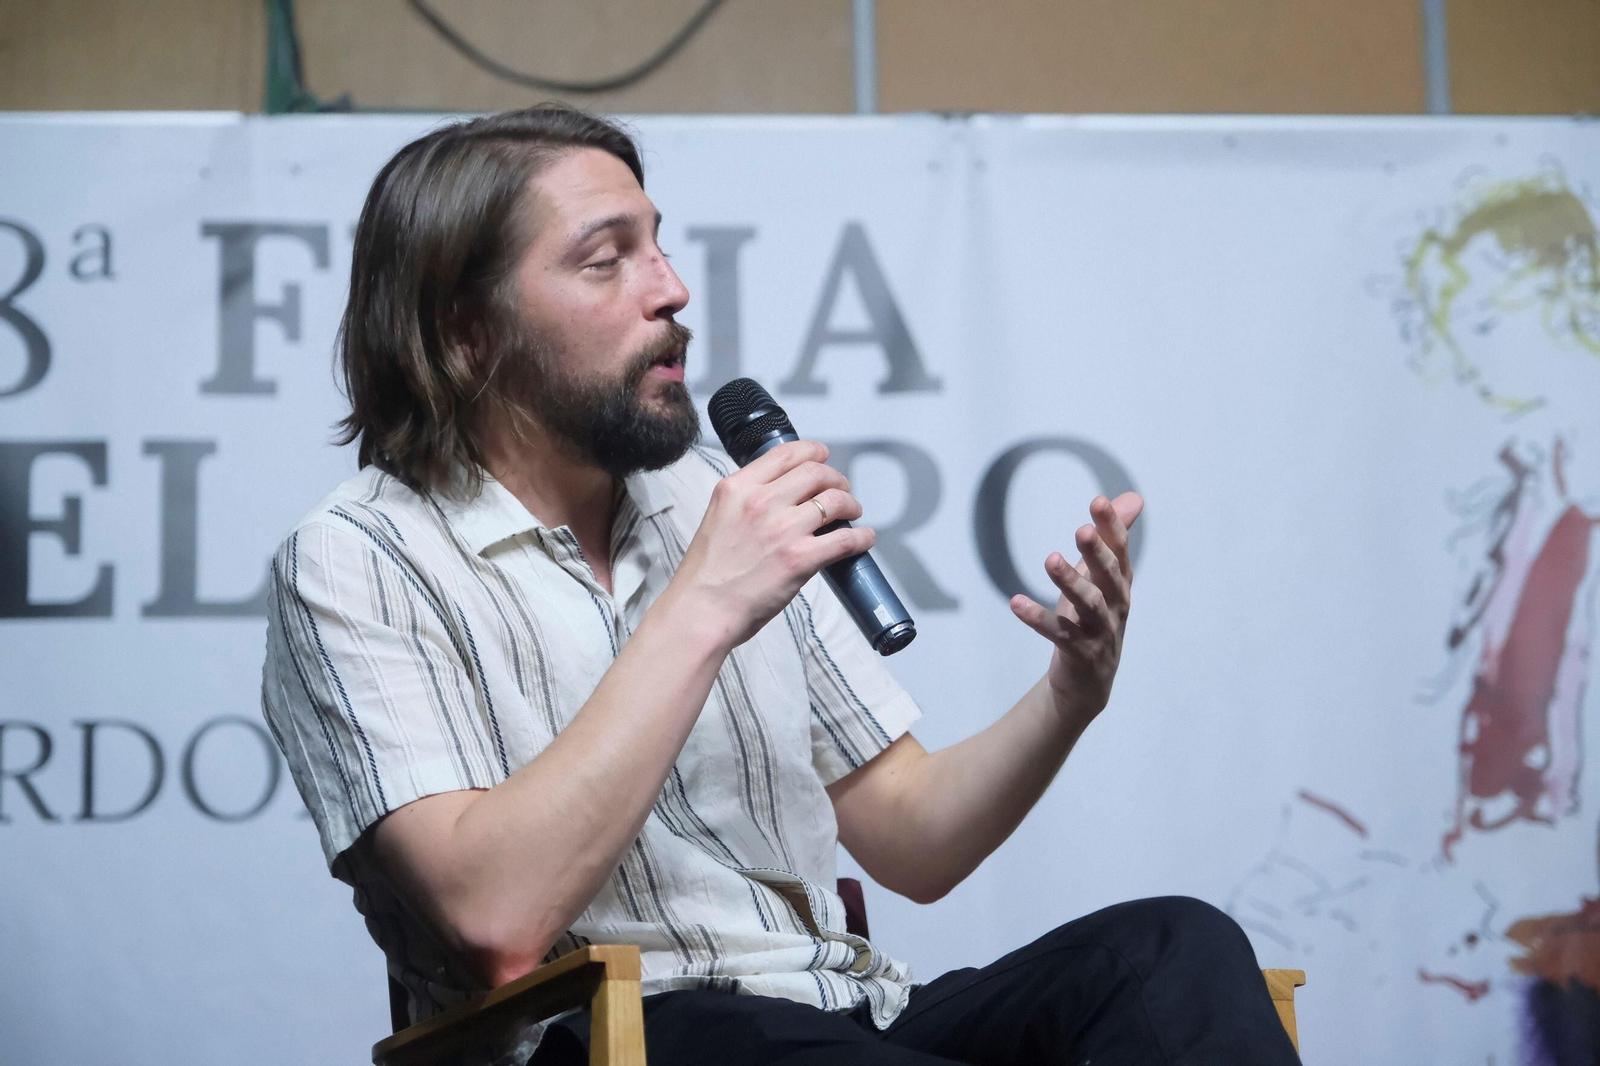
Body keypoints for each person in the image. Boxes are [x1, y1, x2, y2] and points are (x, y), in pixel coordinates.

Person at [261, 104, 1298, 1066]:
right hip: (605, 1033)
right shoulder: (357, 559)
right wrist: (706, 603)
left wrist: (1067, 695)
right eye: (604, 260)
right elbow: (494, 921)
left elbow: (913, 834)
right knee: (727, 1032)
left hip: (840, 1016)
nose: (668, 290)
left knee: (1172, 951)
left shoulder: (704, 500)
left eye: (658, 244)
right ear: (465, 331)